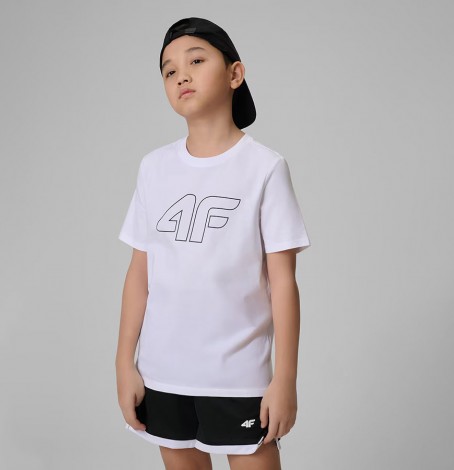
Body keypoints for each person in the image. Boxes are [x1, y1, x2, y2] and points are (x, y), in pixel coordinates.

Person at [115, 17, 311, 470]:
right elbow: (140, 273)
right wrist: (125, 363)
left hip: (239, 377)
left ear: (234, 73)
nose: (181, 75)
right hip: (163, 374)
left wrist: (285, 378)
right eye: (169, 71)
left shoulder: (264, 168)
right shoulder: (154, 168)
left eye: (197, 61)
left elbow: (283, 283)